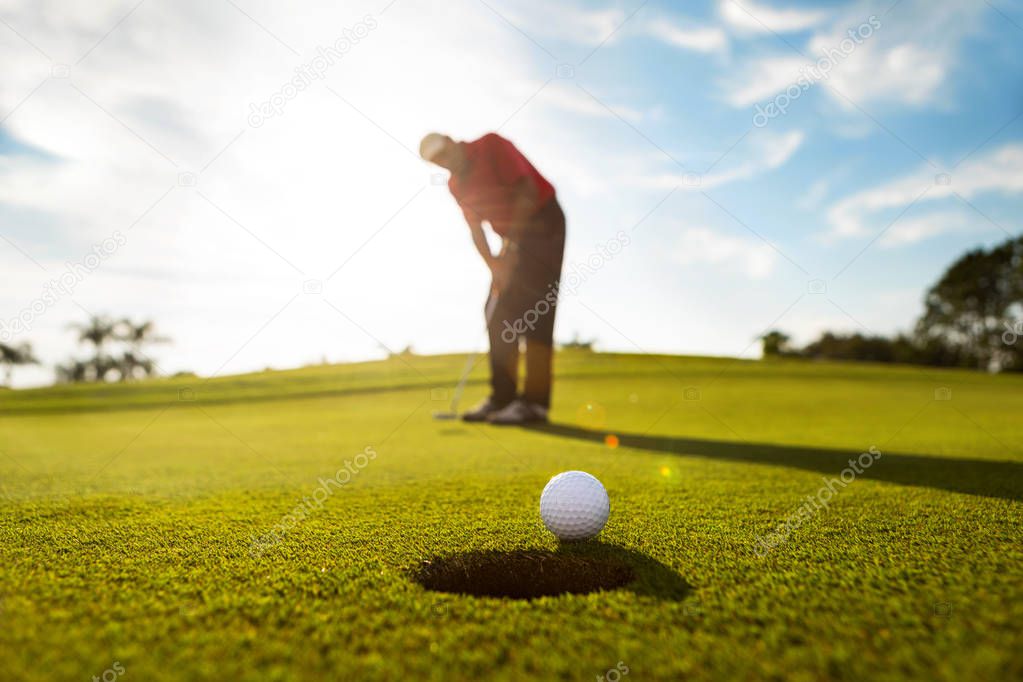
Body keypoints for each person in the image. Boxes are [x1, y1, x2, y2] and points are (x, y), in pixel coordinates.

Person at [420, 132, 565, 425]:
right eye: (437, 161)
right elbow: (476, 229)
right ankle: (503, 398)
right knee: (497, 311)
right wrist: (494, 266)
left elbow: (527, 191)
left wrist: (511, 248)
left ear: (451, 141)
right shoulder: (456, 184)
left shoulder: (490, 145)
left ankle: (534, 405)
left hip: (543, 220)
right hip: (510, 237)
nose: (444, 162)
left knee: (536, 308)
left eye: (444, 154)